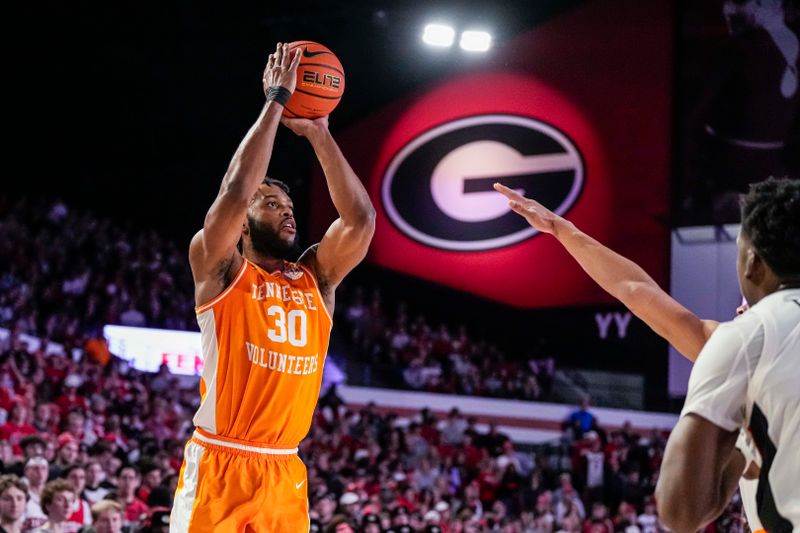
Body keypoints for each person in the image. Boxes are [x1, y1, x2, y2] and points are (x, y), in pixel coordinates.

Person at [495, 178, 799, 530]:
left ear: (753, 267)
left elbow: (681, 511)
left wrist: (563, 230)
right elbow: (635, 289)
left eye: (744, 308)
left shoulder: (739, 345)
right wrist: (563, 230)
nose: (738, 312)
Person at [171, 41, 375, 532]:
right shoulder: (219, 269)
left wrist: (321, 134)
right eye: (269, 203)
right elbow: (236, 190)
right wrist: (276, 102)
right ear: (242, 223)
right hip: (221, 462)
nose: (284, 208)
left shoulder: (316, 278)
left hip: (285, 468)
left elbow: (361, 219)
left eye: (286, 203)